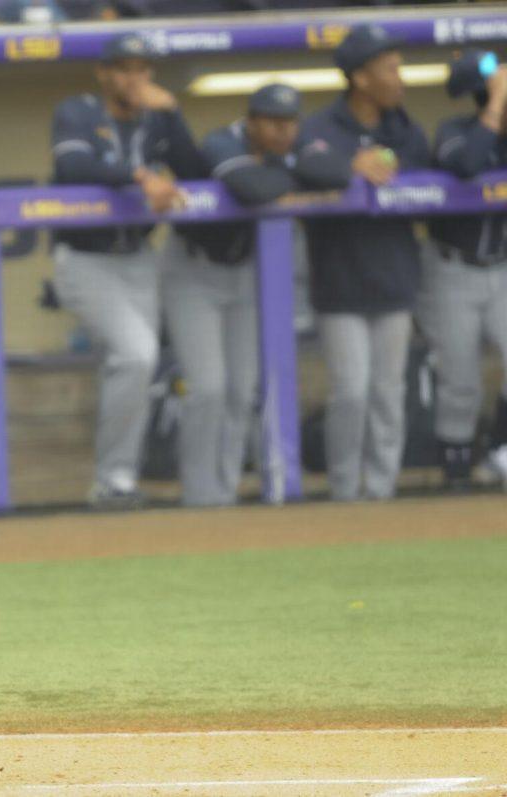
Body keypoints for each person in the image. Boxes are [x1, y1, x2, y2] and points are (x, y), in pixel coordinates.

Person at [167, 84, 350, 506]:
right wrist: (293, 173)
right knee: (208, 386)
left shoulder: (296, 144)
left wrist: (280, 171)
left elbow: (338, 174)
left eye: (289, 123)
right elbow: (250, 187)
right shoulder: (221, 140)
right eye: (272, 122)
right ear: (251, 121)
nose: (283, 132)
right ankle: (199, 494)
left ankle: (225, 489)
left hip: (246, 271)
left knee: (241, 389)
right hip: (194, 270)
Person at [49, 33, 203, 507]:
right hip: (85, 258)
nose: (134, 78)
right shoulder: (78, 111)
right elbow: (73, 166)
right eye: (124, 68)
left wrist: (174, 113)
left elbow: (195, 170)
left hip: (138, 256)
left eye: (142, 68)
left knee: (136, 363)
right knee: (136, 355)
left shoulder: (157, 119)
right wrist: (141, 176)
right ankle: (112, 481)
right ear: (105, 73)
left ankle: (118, 480)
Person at [298, 24, 430, 501]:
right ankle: (344, 490)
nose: (400, 79)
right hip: (341, 281)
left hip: (394, 275)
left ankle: (381, 488)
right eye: (390, 69)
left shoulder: (403, 127)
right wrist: (352, 167)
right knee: (351, 391)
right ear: (361, 78)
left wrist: (386, 162)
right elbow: (308, 163)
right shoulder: (322, 126)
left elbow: (422, 167)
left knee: (387, 393)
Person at [421, 50, 507, 489]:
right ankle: (455, 470)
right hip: (453, 269)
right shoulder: (455, 132)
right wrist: (496, 104)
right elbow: (468, 165)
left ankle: (498, 449)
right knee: (460, 379)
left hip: (502, 269)